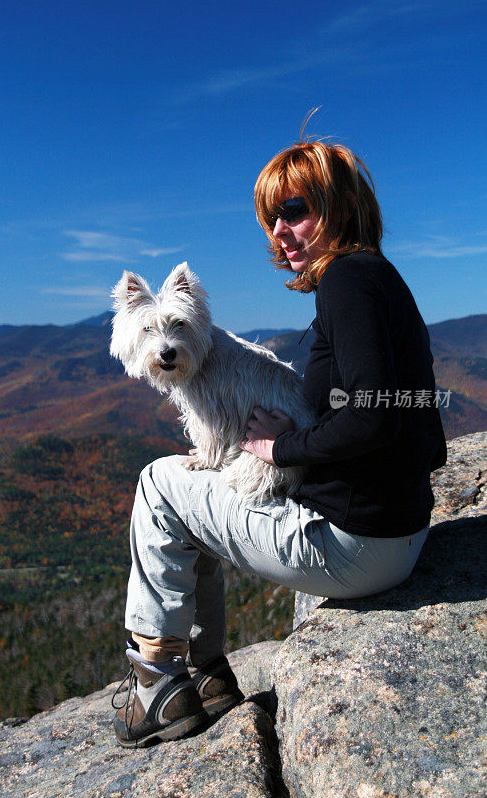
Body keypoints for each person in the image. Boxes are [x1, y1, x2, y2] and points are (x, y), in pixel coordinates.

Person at [112, 134, 447, 748]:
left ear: (338, 205)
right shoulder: (380, 279)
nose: (280, 232)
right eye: (272, 219)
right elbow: (417, 422)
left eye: (295, 211)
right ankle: (208, 677)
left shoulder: (345, 283)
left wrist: (280, 449)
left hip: (355, 550)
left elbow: (373, 420)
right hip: (399, 537)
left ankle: (159, 682)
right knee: (199, 485)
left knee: (160, 485)